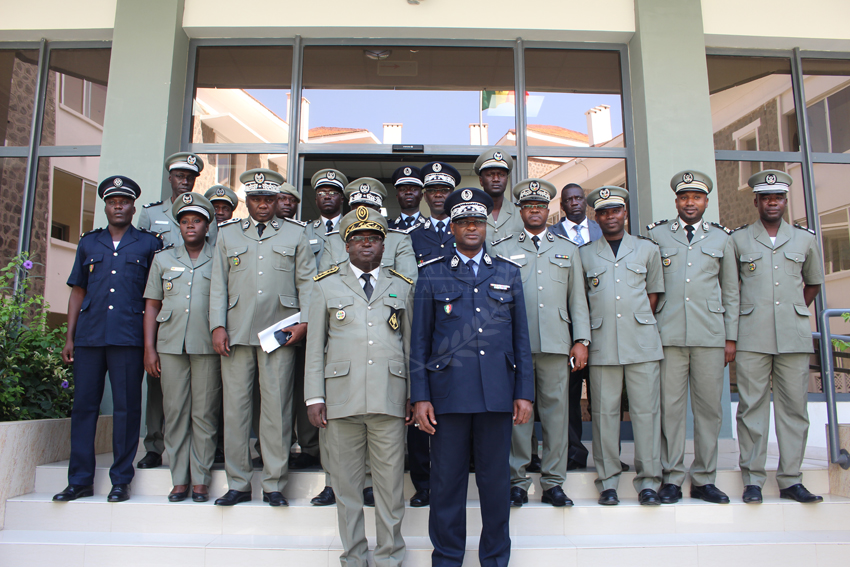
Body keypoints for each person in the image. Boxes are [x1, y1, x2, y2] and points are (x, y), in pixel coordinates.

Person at [411, 187, 534, 567]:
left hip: (497, 394)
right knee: (447, 484)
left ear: (486, 227)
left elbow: (521, 339)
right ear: (452, 227)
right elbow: (419, 342)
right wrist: (420, 397)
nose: (471, 228)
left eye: (477, 222)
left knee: (495, 484)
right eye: (463, 221)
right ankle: (447, 558)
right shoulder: (431, 275)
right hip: (447, 396)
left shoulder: (508, 273)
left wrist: (524, 393)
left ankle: (495, 559)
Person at [305, 206, 414, 567]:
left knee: (390, 489)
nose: (365, 245)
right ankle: (353, 557)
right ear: (346, 246)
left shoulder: (402, 285)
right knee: (347, 489)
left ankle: (389, 557)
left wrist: (415, 394)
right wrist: (314, 397)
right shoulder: (325, 284)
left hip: (390, 397)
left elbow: (411, 345)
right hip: (340, 400)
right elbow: (315, 346)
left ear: (384, 246)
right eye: (357, 240)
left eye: (373, 239)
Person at [209, 168, 315, 507]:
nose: (263, 205)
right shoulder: (227, 234)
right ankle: (238, 483)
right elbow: (218, 285)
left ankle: (274, 484)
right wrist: (217, 326)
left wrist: (306, 325)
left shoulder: (295, 234)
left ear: (277, 200)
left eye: (269, 199)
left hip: (280, 334)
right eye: (256, 199)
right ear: (247, 201)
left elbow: (307, 285)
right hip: (237, 332)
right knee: (236, 410)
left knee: (277, 411)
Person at [54, 175, 162, 504]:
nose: (119, 205)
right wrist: (69, 336)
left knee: (127, 409)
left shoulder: (148, 244)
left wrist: (149, 346)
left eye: (125, 201)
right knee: (84, 407)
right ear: (105, 206)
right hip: (88, 338)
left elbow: (152, 299)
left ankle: (120, 480)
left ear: (132, 207)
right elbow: (77, 292)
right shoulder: (89, 243)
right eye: (113, 201)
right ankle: (80, 480)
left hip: (128, 339)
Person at [491, 179, 590, 508]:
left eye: (540, 206)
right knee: (518, 416)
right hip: (514, 346)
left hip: (556, 345)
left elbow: (578, 300)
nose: (534, 211)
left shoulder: (567, 249)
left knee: (556, 415)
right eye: (528, 206)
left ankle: (553, 482)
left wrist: (581, 340)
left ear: (549, 211)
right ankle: (518, 481)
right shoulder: (502, 249)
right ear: (520, 211)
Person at [731, 170, 824, 504]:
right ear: (755, 201)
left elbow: (812, 283)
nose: (773, 202)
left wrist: (791, 310)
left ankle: (790, 479)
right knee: (751, 407)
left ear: (785, 201)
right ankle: (753, 479)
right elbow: (731, 288)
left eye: (778, 197)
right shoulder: (738, 240)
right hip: (752, 335)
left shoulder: (805, 239)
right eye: (766, 197)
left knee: (794, 409)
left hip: (793, 336)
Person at [647, 170, 738, 505]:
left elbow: (731, 291)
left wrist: (731, 338)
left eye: (696, 197)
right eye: (684, 197)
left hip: (710, 336)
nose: (690, 203)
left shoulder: (721, 239)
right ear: (676, 201)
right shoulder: (657, 235)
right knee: (669, 409)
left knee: (709, 410)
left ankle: (703, 478)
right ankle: (671, 477)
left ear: (706, 202)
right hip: (669, 335)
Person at [578, 186, 664, 506]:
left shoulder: (647, 250)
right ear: (596, 217)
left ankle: (649, 482)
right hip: (602, 344)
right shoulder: (584, 254)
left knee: (645, 413)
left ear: (625, 213)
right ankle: (608, 481)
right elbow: (580, 301)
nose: (610, 216)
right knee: (604, 415)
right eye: (603, 212)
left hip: (641, 342)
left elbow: (653, 295)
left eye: (616, 210)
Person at [136, 152, 216, 471]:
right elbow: (145, 268)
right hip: (166, 322)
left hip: (200, 333)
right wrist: (149, 345)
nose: (184, 179)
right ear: (170, 177)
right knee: (164, 398)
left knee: (202, 407)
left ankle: (198, 472)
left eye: (189, 175)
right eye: (179, 174)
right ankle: (156, 447)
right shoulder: (151, 215)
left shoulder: (214, 244)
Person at [304, 168, 350, 506]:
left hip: (356, 326)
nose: (327, 196)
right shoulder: (305, 232)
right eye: (322, 191)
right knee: (329, 411)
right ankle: (332, 481)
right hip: (323, 323)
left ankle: (360, 482)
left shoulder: (361, 233)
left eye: (334, 191)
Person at [551, 182, 602, 470]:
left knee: (602, 396)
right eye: (568, 199)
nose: (574, 203)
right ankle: (573, 451)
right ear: (562, 206)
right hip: (567, 326)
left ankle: (607, 453)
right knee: (568, 396)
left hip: (602, 325)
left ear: (586, 201)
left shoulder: (600, 230)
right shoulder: (551, 235)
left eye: (579, 198)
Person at [319, 177, 417, 283]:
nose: (363, 216)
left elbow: (407, 284)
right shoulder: (333, 240)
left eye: (369, 209)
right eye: (357, 209)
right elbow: (325, 283)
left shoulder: (399, 240)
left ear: (379, 212)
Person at [409, 162, 460, 266]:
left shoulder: (464, 231)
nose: (438, 195)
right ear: (425, 196)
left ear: (452, 196)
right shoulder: (414, 235)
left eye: (444, 190)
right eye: (432, 190)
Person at [474, 147, 523, 242]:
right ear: (481, 180)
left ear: (507, 179)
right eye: (490, 174)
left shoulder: (520, 213)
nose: (496, 179)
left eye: (501, 175)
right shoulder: (471, 212)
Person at [388, 165, 426, 230]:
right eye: (403, 189)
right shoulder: (388, 227)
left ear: (421, 196)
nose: (408, 192)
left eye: (414, 189)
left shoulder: (431, 226)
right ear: (397, 197)